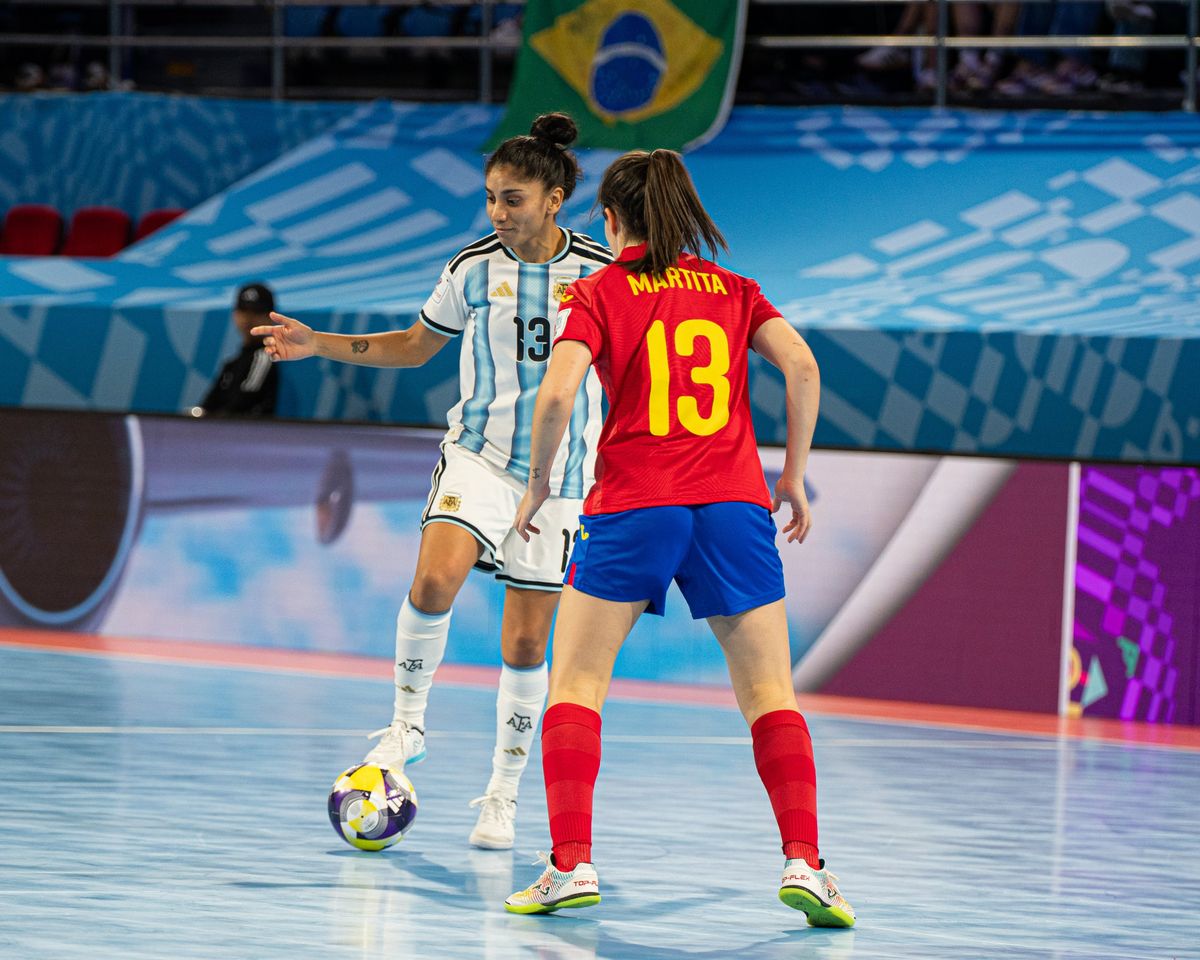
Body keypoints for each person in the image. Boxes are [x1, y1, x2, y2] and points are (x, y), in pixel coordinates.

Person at [503, 149, 856, 927]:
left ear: (610, 217)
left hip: (634, 502)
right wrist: (791, 476)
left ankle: (570, 865)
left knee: (577, 688)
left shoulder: (597, 291)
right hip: (733, 505)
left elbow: (559, 390)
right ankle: (807, 864)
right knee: (771, 695)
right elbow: (800, 364)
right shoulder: (736, 291)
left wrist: (536, 483)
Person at [252, 113, 610, 850]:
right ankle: (407, 726)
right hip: (478, 456)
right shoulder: (472, 268)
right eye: (489, 198)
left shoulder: (604, 275)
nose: (497, 213)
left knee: (524, 643)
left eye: (512, 199)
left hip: (566, 478)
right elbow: (416, 348)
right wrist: (318, 344)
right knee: (434, 580)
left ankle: (502, 795)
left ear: (554, 198)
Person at [197, 282, 279, 417]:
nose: (248, 319)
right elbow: (207, 405)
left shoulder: (265, 357)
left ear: (271, 317)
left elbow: (241, 406)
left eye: (256, 312)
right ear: (235, 314)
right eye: (244, 311)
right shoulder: (231, 364)